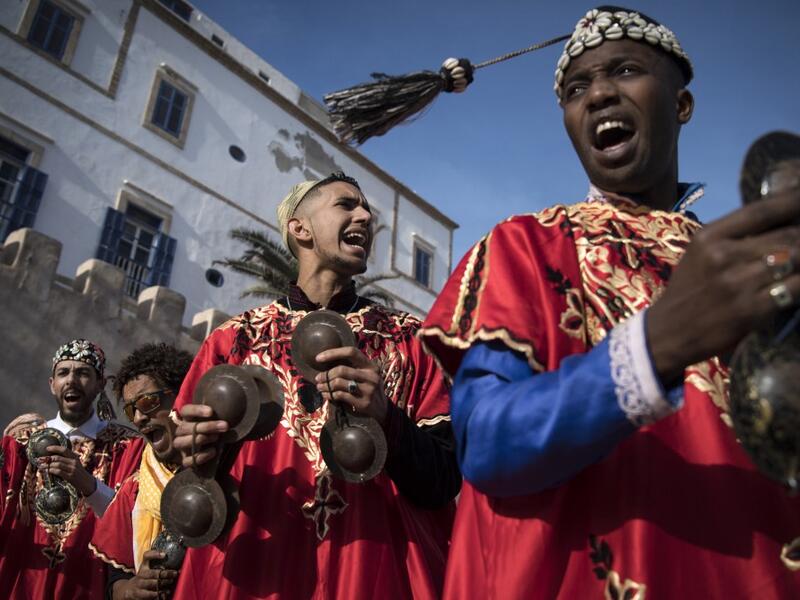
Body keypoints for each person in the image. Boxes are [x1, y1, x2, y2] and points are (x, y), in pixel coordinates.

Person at [419, 6, 800, 599]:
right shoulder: (524, 245)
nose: (598, 95)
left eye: (624, 70)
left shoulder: (744, 262)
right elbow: (486, 444)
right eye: (576, 89)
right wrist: (658, 346)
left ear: (681, 105)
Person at [169, 172, 460, 599]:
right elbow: (189, 481)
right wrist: (202, 451)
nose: (365, 215)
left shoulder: (409, 340)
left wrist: (386, 416)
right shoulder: (234, 341)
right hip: (259, 574)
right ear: (300, 228)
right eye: (347, 204)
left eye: (367, 209)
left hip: (379, 573)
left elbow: (444, 481)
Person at [0, 339, 143, 598]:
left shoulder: (126, 448)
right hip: (24, 581)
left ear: (101, 384)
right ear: (52, 384)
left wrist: (85, 482)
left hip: (88, 585)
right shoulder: (20, 444)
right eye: (63, 373)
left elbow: (133, 519)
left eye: (83, 373)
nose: (71, 381)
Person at [90, 342, 194, 599]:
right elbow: (115, 583)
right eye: (130, 409)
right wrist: (133, 589)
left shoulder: (231, 470)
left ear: (183, 396)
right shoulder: (132, 491)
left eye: (148, 402)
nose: (138, 418)